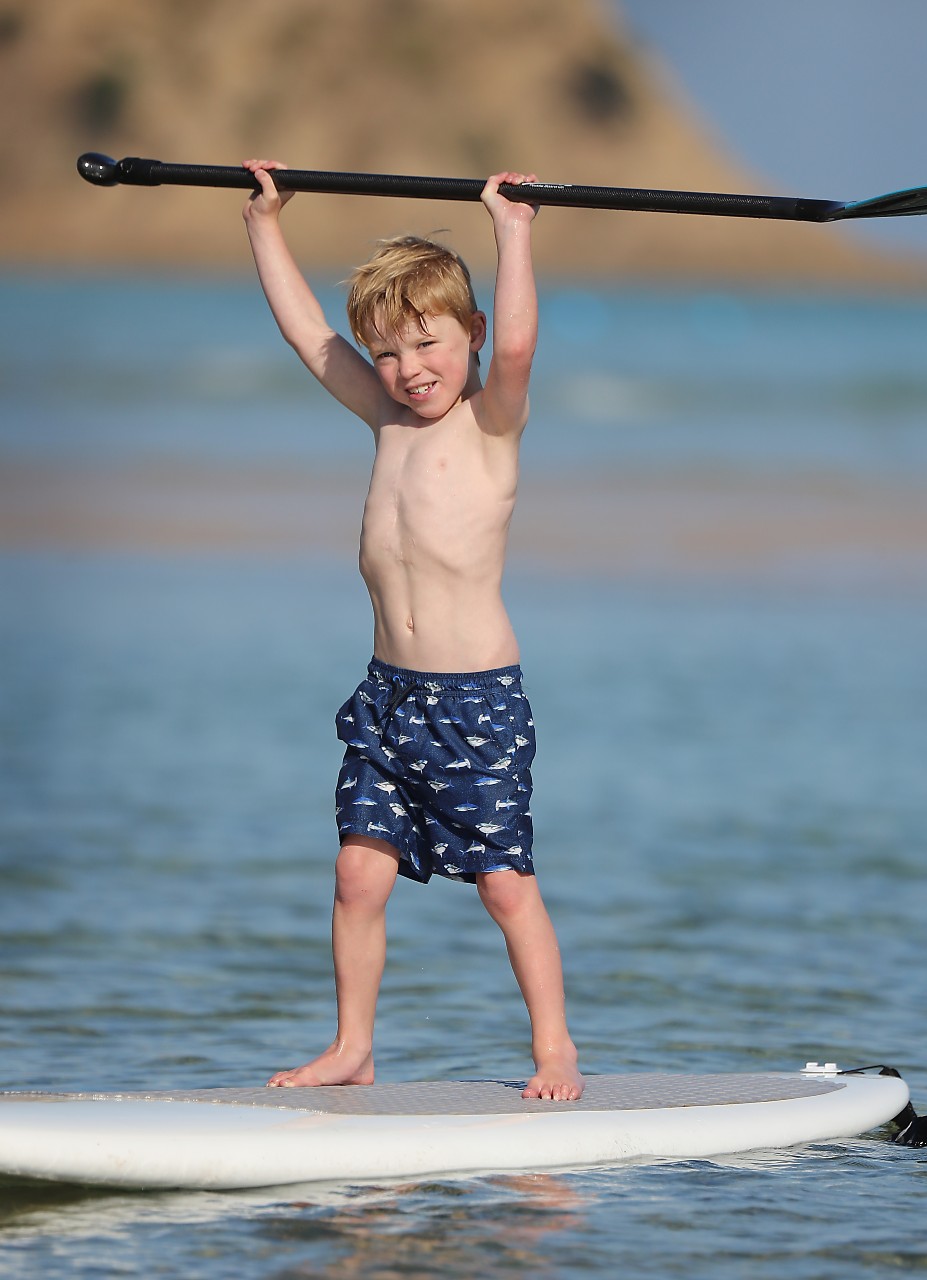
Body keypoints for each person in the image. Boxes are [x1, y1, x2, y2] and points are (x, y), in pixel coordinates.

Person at [242, 158, 584, 1102]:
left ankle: (554, 1048)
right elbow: (312, 338)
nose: (407, 371)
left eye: (427, 346)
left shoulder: (491, 424)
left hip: (474, 701)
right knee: (357, 878)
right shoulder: (385, 417)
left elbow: (515, 349)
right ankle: (352, 1046)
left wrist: (512, 231)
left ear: (467, 336)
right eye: (388, 353)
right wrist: (264, 225)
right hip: (387, 697)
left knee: (504, 885)